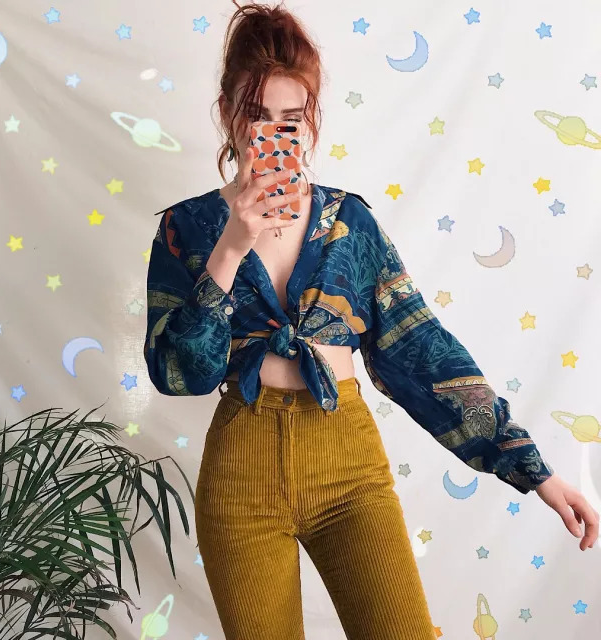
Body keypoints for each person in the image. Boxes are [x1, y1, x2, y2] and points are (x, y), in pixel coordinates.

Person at [144, 2, 599, 638]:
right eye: (256, 115)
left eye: (291, 119)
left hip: (348, 468)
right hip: (240, 475)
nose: (273, 134)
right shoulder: (186, 229)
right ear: (227, 112)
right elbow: (177, 373)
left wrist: (531, 467)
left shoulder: (348, 224)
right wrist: (231, 248)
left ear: (310, 122)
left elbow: (420, 349)